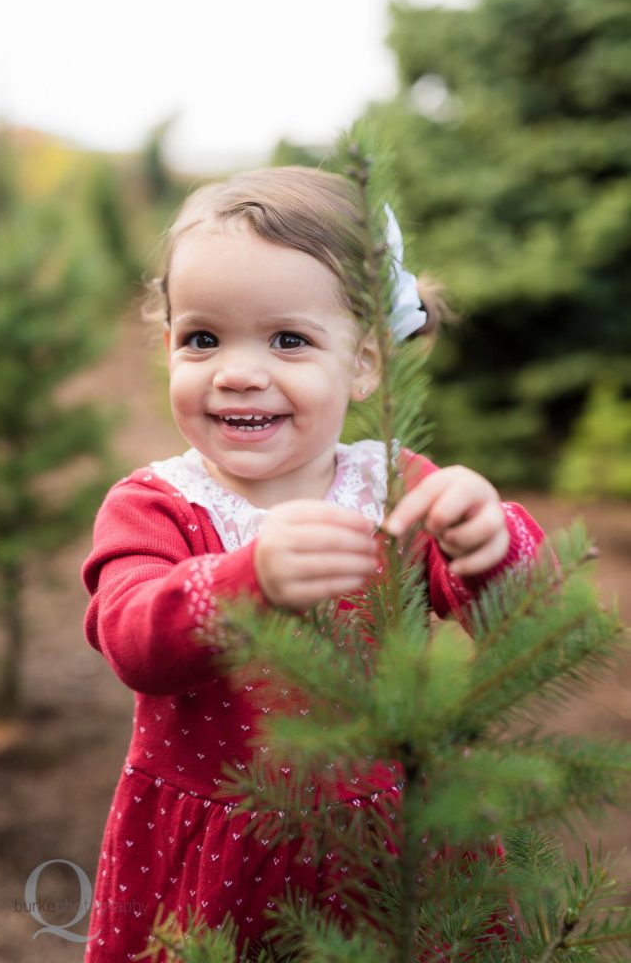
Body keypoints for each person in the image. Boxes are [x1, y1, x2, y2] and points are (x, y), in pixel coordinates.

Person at [81, 166, 546, 961]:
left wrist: (488, 541)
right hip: (222, 848)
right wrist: (244, 578)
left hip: (392, 841)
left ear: (363, 361)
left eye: (287, 339)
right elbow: (129, 639)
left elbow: (507, 613)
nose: (236, 370)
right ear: (169, 349)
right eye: (203, 338)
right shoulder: (155, 504)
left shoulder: (398, 484)